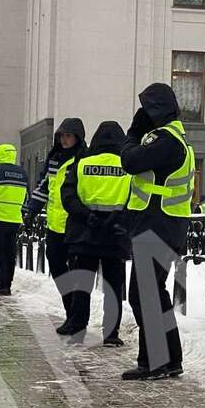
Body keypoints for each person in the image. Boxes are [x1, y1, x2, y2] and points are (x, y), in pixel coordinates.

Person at [121, 83, 195, 380]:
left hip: (158, 225)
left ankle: (155, 362)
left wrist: (131, 134)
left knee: (143, 295)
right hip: (167, 223)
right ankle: (169, 359)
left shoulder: (166, 141)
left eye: (147, 109)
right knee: (153, 293)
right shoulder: (176, 138)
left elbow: (130, 161)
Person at [61, 121, 131, 345]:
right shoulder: (128, 166)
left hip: (85, 234)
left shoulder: (82, 164)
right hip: (116, 235)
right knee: (113, 289)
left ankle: (78, 329)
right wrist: (117, 219)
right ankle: (111, 334)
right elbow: (135, 199)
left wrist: (86, 215)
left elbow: (68, 196)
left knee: (82, 286)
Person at [25, 118, 87, 326]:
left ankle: (75, 317)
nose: (64, 139)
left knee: (76, 273)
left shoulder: (83, 159)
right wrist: (31, 210)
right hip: (54, 225)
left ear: (78, 137)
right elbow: (44, 186)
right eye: (61, 135)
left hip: (74, 224)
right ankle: (70, 309)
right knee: (58, 268)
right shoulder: (54, 159)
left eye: (68, 135)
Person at [0, 144, 29, 296]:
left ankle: (2, 285)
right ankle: (8, 283)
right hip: (15, 218)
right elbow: (27, 197)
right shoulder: (22, 173)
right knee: (10, 252)